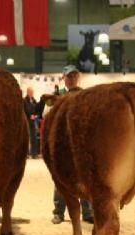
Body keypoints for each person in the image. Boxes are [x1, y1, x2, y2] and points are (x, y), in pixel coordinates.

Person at [40, 65, 94, 224]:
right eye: (69, 76)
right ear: (64, 78)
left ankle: (87, 212)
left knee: (84, 177)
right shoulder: (56, 95)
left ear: (78, 77)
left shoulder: (86, 95)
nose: (72, 79)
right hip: (61, 142)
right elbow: (46, 116)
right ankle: (58, 212)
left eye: (74, 76)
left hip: (80, 142)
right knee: (60, 177)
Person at [23, 87, 40, 159]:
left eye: (33, 92)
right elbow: (25, 109)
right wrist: (30, 115)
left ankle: (34, 154)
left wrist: (36, 115)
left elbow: (37, 108)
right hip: (27, 121)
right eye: (31, 92)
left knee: (34, 138)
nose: (32, 94)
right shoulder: (24, 100)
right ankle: (26, 154)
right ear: (28, 92)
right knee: (26, 138)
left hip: (33, 121)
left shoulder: (34, 100)